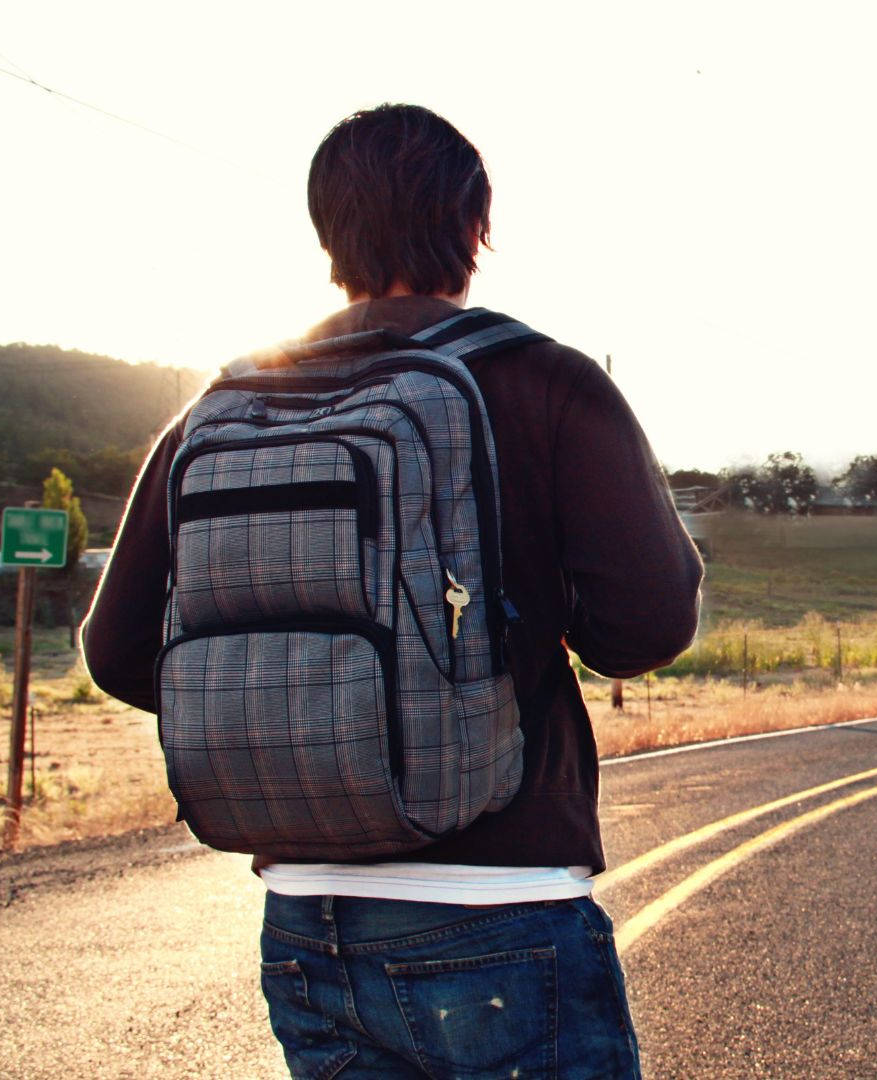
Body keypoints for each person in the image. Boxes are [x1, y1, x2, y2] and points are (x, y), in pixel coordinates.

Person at [83, 103, 702, 1079]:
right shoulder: (547, 380)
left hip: (302, 920)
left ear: (328, 235)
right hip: (502, 904)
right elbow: (646, 627)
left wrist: (304, 709)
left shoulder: (225, 403)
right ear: (474, 228)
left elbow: (116, 651)